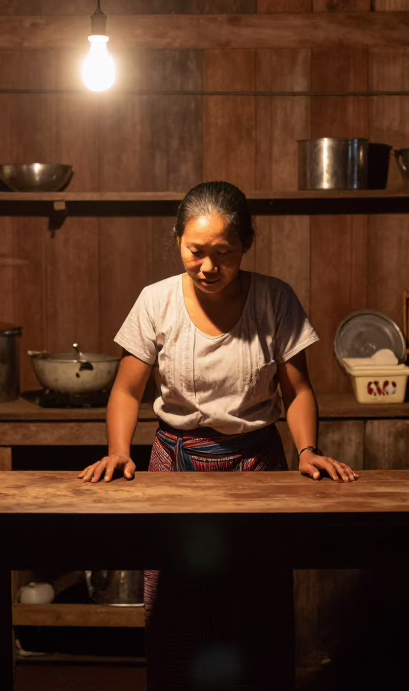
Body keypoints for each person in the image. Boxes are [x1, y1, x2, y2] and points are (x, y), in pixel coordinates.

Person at [79, 180, 357, 691]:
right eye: (196, 252)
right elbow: (125, 390)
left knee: (257, 609)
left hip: (257, 468)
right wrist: (119, 452)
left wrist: (308, 450)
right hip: (175, 467)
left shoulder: (276, 299)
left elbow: (297, 389)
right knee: (176, 611)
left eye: (223, 254)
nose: (208, 266)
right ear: (178, 242)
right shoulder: (155, 301)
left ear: (246, 244)